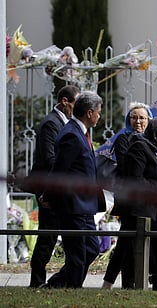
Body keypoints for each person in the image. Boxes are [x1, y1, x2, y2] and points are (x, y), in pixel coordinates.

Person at [41, 91, 103, 289]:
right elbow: (60, 170)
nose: (100, 116)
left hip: (85, 205)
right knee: (77, 253)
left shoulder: (79, 132)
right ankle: (73, 290)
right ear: (89, 112)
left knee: (91, 249)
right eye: (98, 113)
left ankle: (57, 283)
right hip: (74, 204)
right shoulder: (71, 135)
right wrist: (48, 196)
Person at [109, 117, 157, 290]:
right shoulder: (140, 146)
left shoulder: (153, 149)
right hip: (140, 209)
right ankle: (132, 285)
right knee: (129, 250)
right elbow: (135, 179)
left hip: (154, 208)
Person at [28, 85, 80, 288]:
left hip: (59, 188)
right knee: (47, 237)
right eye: (75, 104)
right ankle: (37, 281)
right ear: (65, 102)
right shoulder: (51, 123)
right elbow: (50, 159)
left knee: (55, 235)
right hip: (48, 189)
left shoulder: (64, 122)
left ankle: (55, 280)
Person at [102, 102, 153, 289]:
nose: (138, 121)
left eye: (142, 118)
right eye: (134, 117)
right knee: (126, 241)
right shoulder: (123, 138)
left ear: (149, 121)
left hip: (145, 200)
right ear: (128, 120)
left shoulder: (151, 139)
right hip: (129, 199)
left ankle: (125, 283)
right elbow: (126, 168)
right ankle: (118, 283)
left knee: (130, 242)